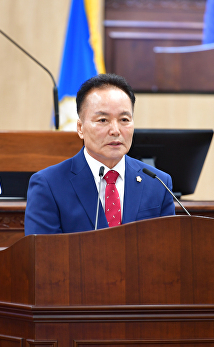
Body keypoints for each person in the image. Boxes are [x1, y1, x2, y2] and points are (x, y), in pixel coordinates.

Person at [24, 73, 176, 235]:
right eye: (103, 120)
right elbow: (42, 255)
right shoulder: (49, 185)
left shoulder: (158, 183)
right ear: (80, 128)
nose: (115, 131)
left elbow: (167, 250)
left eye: (124, 120)